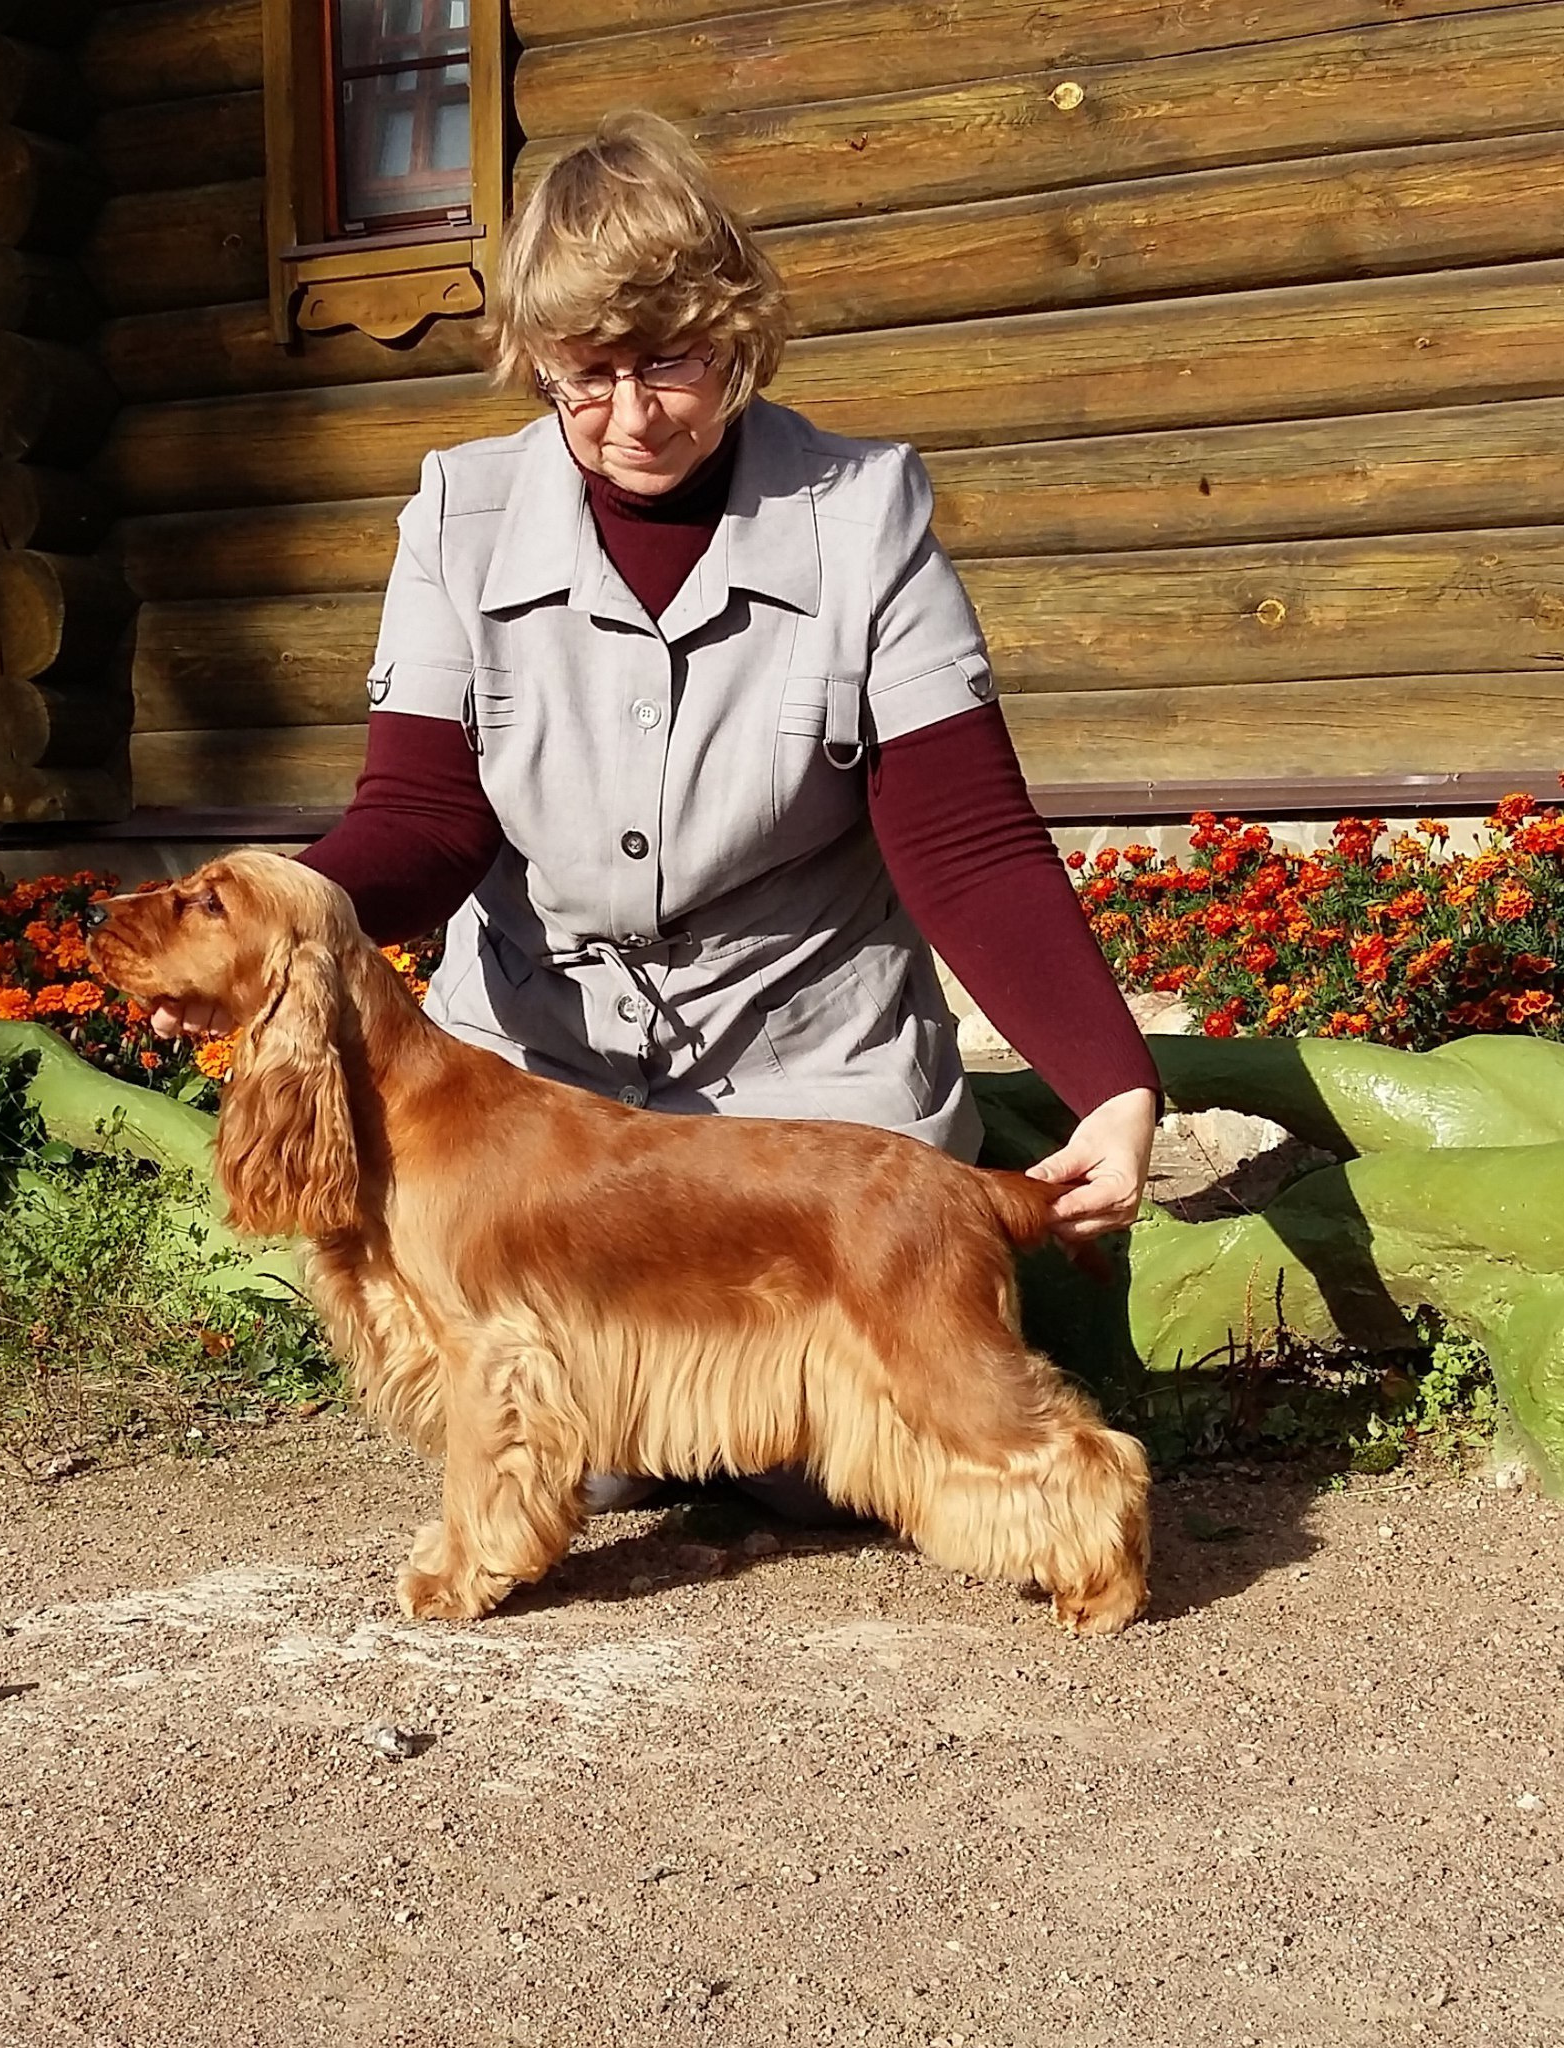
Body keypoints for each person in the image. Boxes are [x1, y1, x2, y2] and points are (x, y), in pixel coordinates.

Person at [150, 112, 1161, 1515]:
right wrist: (275, 930)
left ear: (736, 341)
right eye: (585, 376)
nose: (631, 417)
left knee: (845, 1463)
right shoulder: (458, 513)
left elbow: (963, 837)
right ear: (535, 363)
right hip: (544, 1110)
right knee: (603, 1462)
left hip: (809, 1083)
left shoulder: (861, 511)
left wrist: (1111, 1084)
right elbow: (424, 821)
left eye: (670, 362)